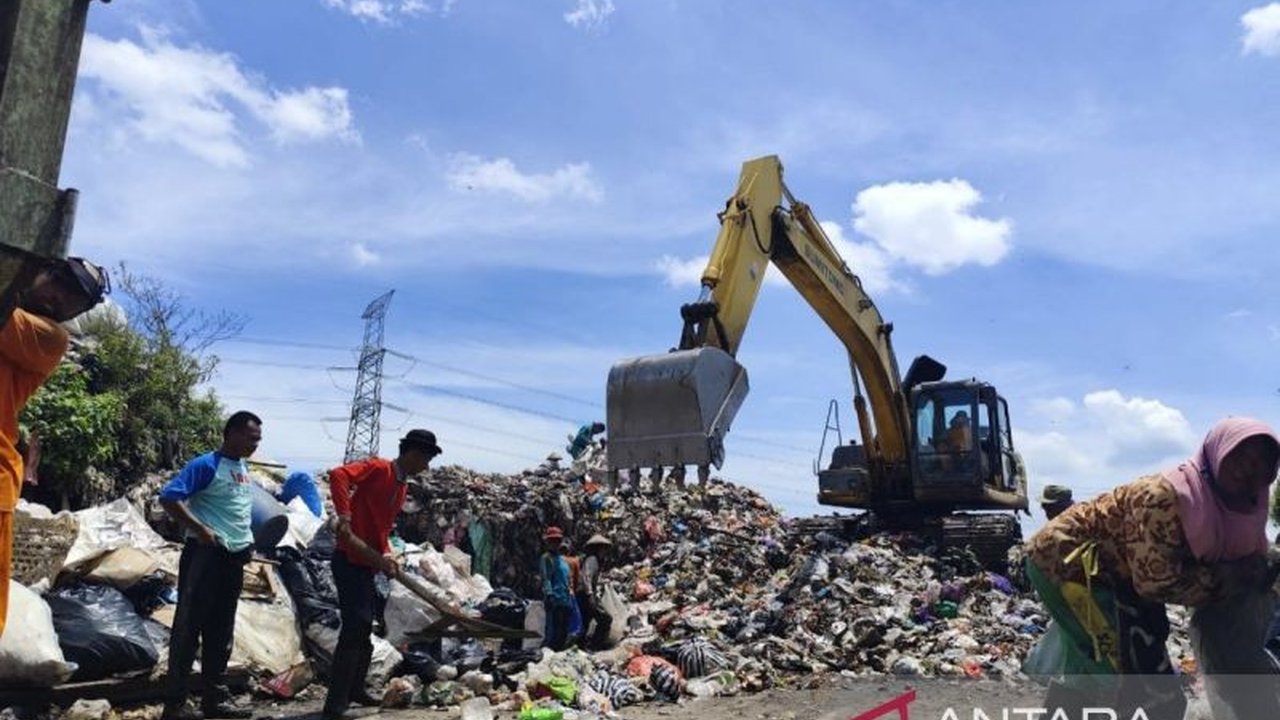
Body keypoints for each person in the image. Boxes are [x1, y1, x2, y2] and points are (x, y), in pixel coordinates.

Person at [1024, 417, 1280, 718]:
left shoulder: (1243, 510)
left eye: (1261, 463)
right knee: (1124, 675)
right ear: (1218, 453)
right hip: (1073, 568)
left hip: (1122, 577)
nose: (1248, 470)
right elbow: (1155, 583)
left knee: (1099, 666)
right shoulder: (1167, 497)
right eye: (1240, 457)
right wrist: (1224, 579)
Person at [1, 257, 108, 640]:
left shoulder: (49, 337)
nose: (58, 300)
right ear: (39, 270)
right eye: (59, 283)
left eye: (73, 301)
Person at [323, 429, 441, 720]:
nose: (426, 466)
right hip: (349, 559)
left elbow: (381, 529)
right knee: (356, 627)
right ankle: (334, 706)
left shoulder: (401, 487)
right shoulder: (379, 468)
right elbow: (338, 474)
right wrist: (345, 516)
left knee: (365, 629)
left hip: (367, 563)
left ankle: (355, 691)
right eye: (426, 459)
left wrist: (387, 553)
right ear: (413, 454)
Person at [158, 411, 263, 720]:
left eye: (258, 439)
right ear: (230, 433)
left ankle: (214, 700)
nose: (255, 444)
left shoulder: (243, 468)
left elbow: (237, 510)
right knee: (189, 628)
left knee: (221, 630)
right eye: (251, 437)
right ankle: (175, 704)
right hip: (205, 557)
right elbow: (169, 497)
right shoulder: (206, 465)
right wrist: (201, 529)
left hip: (233, 558)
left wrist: (247, 541)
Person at [540, 526, 575, 651]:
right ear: (548, 543)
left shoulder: (562, 560)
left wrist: (571, 593)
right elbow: (546, 578)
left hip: (565, 599)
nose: (555, 544)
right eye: (552, 541)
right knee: (554, 632)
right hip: (554, 600)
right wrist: (549, 594)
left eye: (557, 541)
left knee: (563, 632)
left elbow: (568, 578)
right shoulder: (546, 558)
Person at [578, 534, 614, 650]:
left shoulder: (595, 560)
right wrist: (590, 595)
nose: (604, 551)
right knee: (605, 618)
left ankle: (584, 645)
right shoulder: (592, 559)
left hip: (587, 594)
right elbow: (586, 577)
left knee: (586, 620)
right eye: (603, 548)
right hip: (585, 594)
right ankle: (595, 645)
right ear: (598, 548)